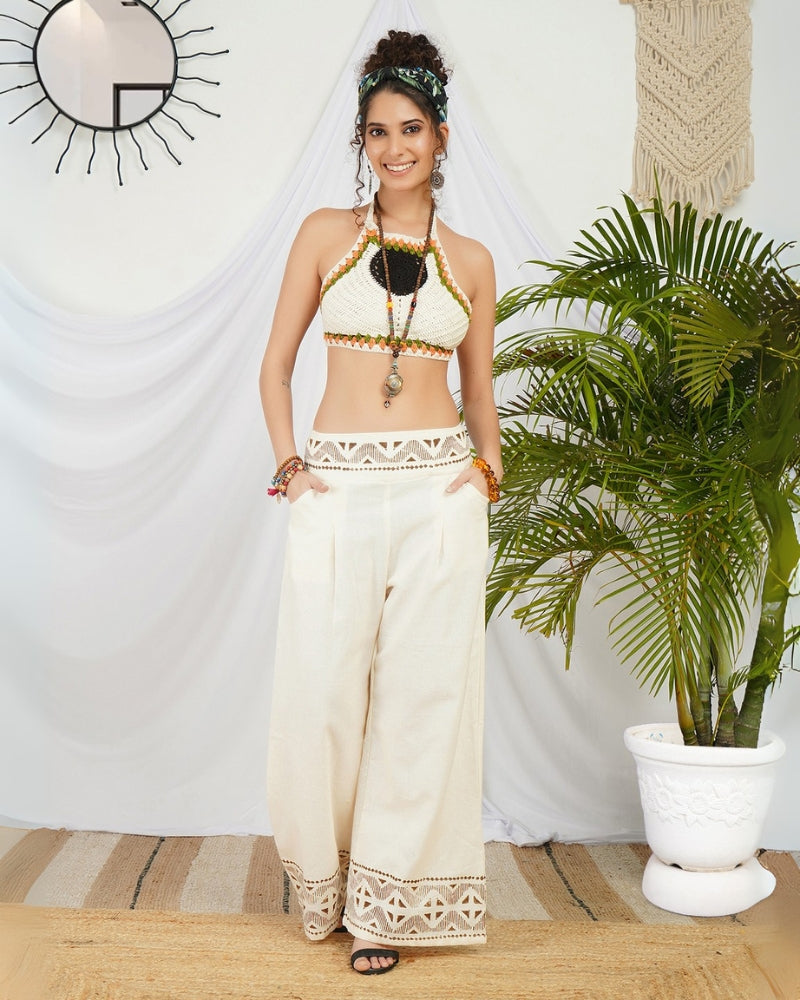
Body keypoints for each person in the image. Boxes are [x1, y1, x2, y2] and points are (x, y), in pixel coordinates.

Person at [259, 28, 502, 977]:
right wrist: (293, 470)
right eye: (377, 131)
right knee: (321, 695)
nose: (394, 147)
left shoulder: (471, 260)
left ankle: (385, 906)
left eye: (411, 128)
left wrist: (485, 474)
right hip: (338, 487)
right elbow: (275, 368)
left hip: (439, 493)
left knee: (422, 700)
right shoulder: (326, 235)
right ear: (361, 141)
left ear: (440, 136)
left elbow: (480, 393)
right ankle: (327, 883)